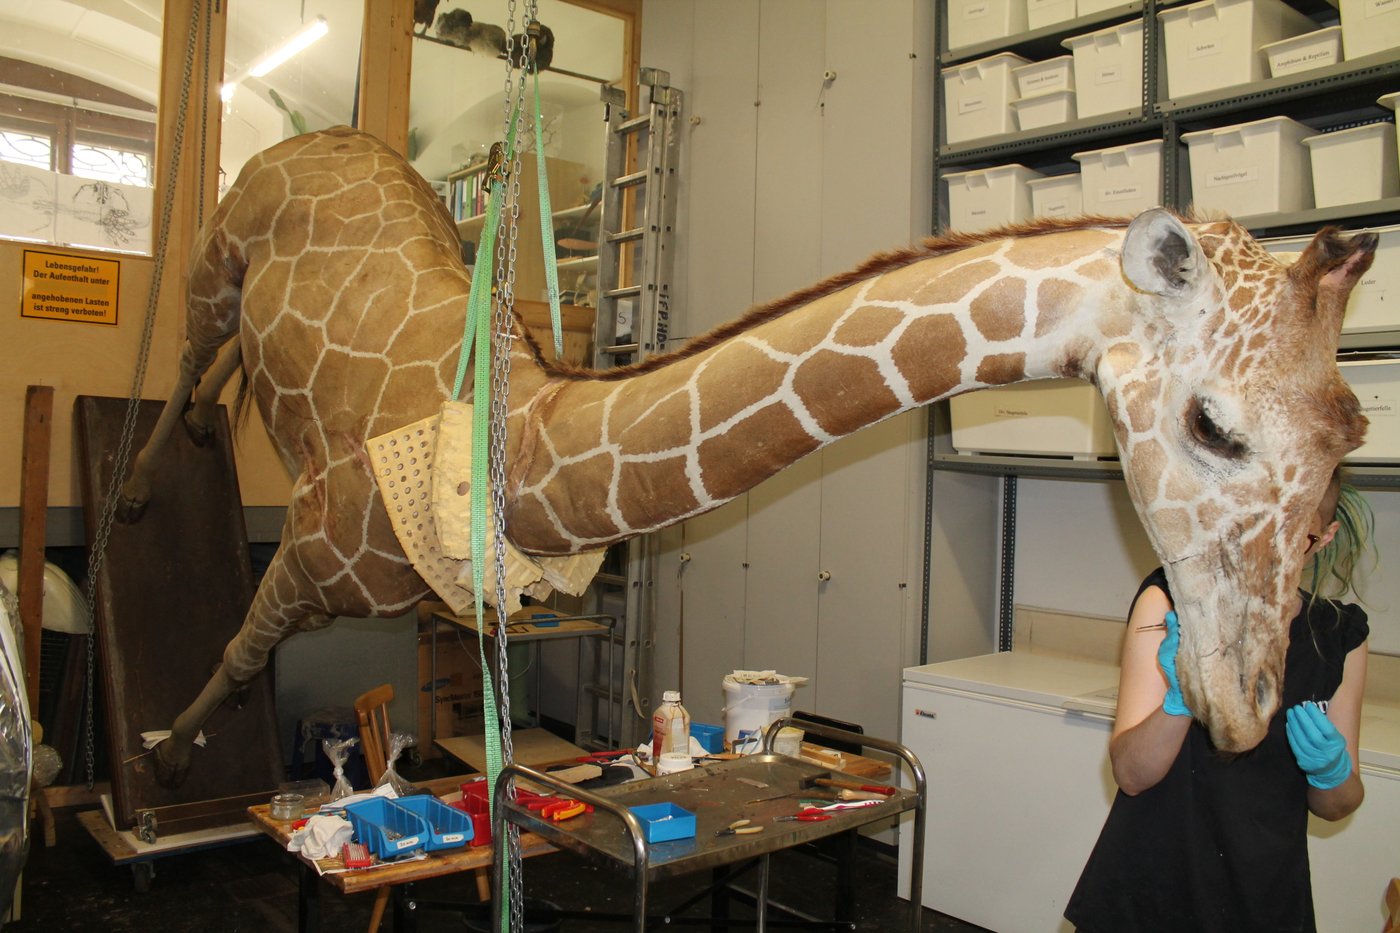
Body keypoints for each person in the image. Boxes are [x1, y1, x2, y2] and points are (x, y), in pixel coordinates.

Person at [1065, 468, 1373, 933]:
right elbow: (1131, 775)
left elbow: (1338, 804)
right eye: (1258, 528)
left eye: (1295, 537)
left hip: (1264, 895)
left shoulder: (1339, 636)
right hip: (1151, 887)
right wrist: (1181, 699)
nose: (1268, 552)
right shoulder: (1170, 604)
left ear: (1325, 536)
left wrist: (1332, 772)